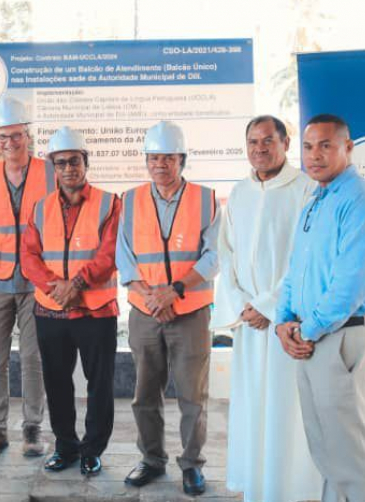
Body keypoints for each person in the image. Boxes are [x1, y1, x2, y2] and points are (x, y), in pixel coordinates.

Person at [275, 114, 365, 502]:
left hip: (342, 336)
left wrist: (305, 332)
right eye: (308, 147)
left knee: (348, 451)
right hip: (312, 335)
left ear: (348, 148)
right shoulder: (317, 200)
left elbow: (350, 286)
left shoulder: (361, 200)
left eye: (326, 145)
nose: (315, 155)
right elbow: (295, 270)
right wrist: (282, 322)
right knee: (325, 447)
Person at [212, 116, 321, 502]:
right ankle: (256, 486)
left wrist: (268, 307)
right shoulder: (239, 192)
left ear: (286, 143)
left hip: (286, 324)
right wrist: (243, 304)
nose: (259, 148)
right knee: (251, 407)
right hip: (250, 326)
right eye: (252, 141)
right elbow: (226, 253)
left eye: (268, 141)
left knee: (285, 409)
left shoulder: (306, 191)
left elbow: (306, 259)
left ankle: (288, 489)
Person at [118, 120, 219, 496]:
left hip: (190, 312)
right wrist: (151, 296)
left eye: (169, 158)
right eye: (154, 157)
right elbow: (124, 258)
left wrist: (173, 291)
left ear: (182, 160)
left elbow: (214, 256)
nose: (160, 164)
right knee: (145, 393)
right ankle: (152, 459)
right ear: (146, 160)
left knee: (193, 395)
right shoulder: (128, 200)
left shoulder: (206, 199)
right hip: (145, 313)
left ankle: (192, 465)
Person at [20, 126, 120, 476]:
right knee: (57, 382)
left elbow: (109, 253)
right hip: (51, 311)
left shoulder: (110, 203)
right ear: (53, 167)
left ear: (85, 162)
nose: (68, 168)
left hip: (96, 310)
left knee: (100, 384)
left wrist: (76, 283)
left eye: (74, 161)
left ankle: (93, 450)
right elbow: (29, 257)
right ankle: (65, 447)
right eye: (61, 163)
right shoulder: (39, 208)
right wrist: (55, 286)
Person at [0, 98, 55, 458]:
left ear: (27, 135)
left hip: (36, 283)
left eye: (16, 135)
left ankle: (33, 426)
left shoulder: (50, 172)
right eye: (2, 137)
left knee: (34, 359)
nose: (9, 143)